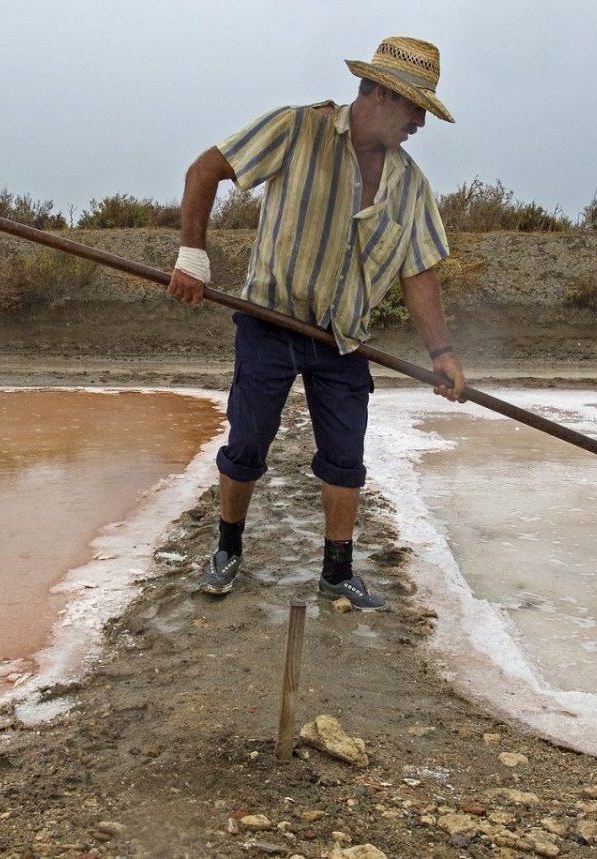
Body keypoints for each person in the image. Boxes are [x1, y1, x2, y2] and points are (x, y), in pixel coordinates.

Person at [167, 36, 468, 611]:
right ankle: (228, 548)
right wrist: (191, 256)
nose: (420, 123)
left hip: (343, 340)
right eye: (415, 108)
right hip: (269, 322)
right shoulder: (297, 129)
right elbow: (205, 169)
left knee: (345, 458)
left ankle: (337, 570)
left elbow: (419, 272)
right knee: (248, 440)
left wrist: (442, 353)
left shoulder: (411, 187)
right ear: (379, 94)